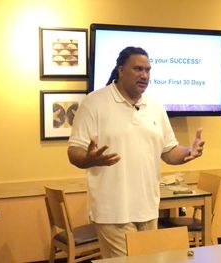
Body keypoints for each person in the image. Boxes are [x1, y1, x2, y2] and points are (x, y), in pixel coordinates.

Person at [67, 46, 204, 258]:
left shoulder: (155, 107)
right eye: (138, 69)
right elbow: (74, 151)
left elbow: (169, 151)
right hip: (112, 211)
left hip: (148, 209)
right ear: (121, 70)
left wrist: (188, 151)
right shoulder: (94, 103)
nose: (145, 75)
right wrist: (89, 159)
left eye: (148, 70)